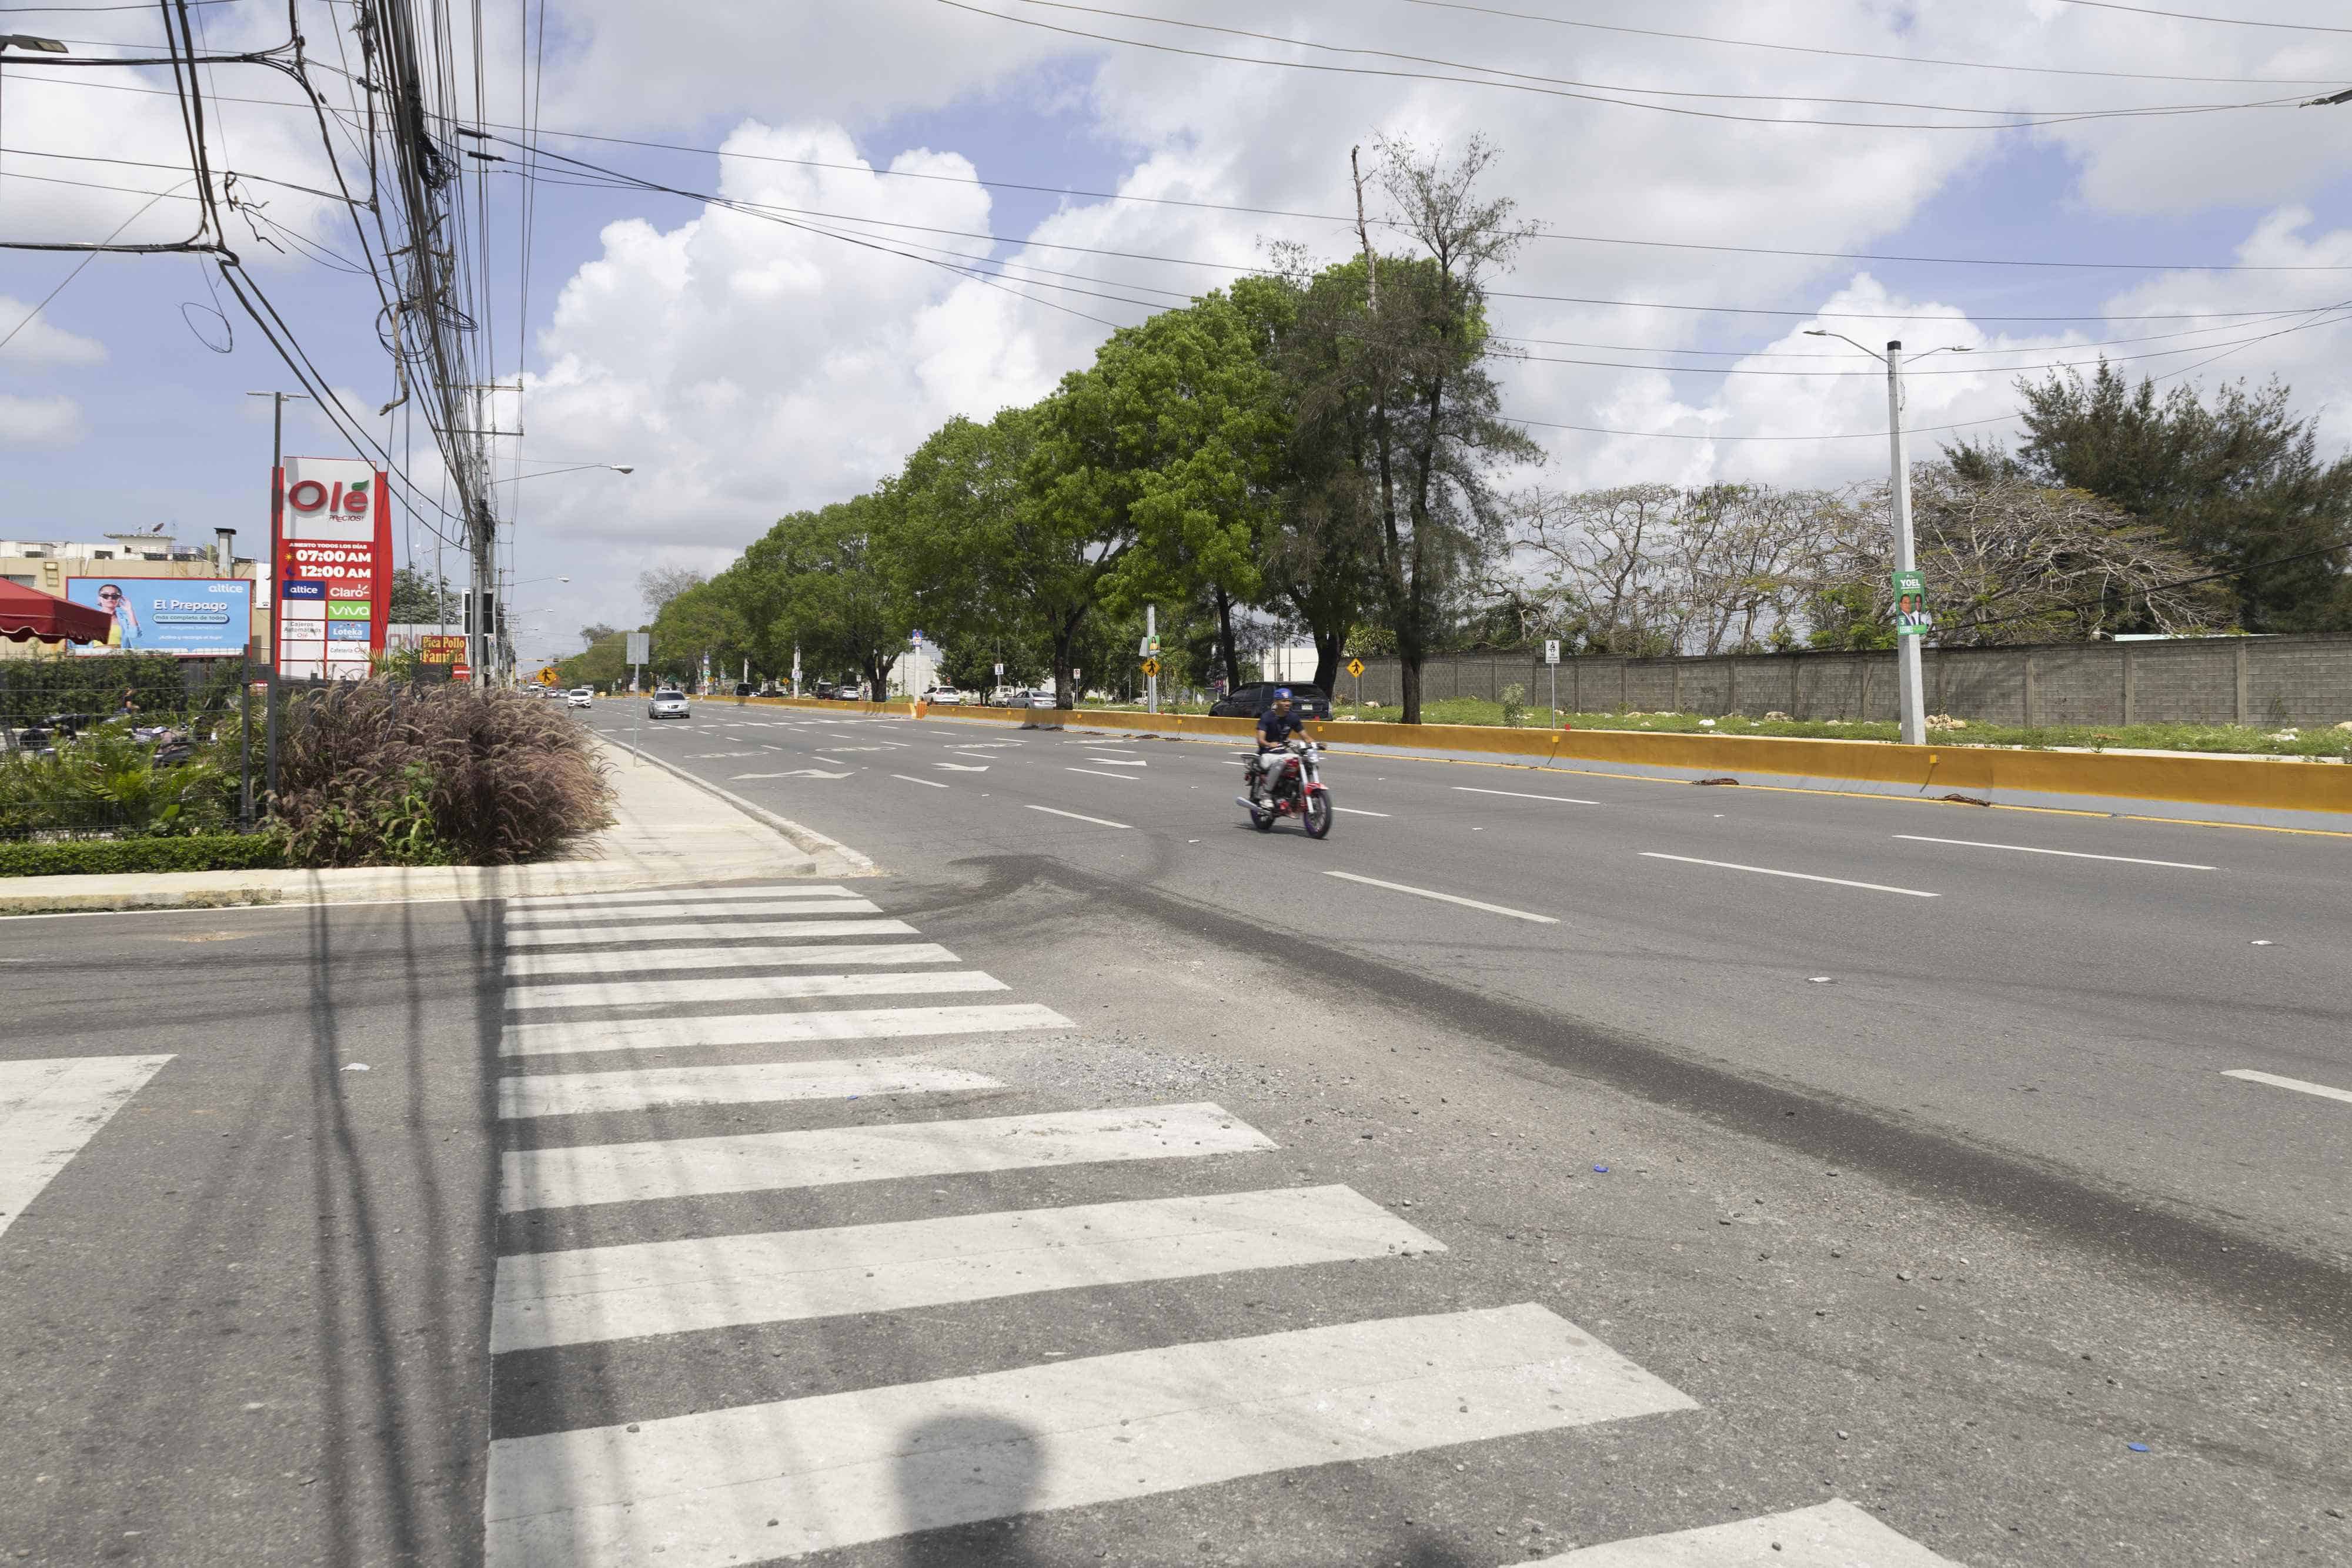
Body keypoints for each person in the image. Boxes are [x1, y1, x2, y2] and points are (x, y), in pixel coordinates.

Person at [1248, 687, 1308, 805]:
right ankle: (1267, 794)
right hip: (1266, 753)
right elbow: (1260, 740)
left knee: (1302, 762)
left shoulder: (1293, 717)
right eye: (1284, 701)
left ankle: (1296, 794)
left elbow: (1305, 736)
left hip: (1282, 753)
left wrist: (1316, 744)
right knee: (1281, 762)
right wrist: (1270, 744)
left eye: (1289, 701)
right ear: (1276, 702)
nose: (1287, 703)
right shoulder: (1267, 717)